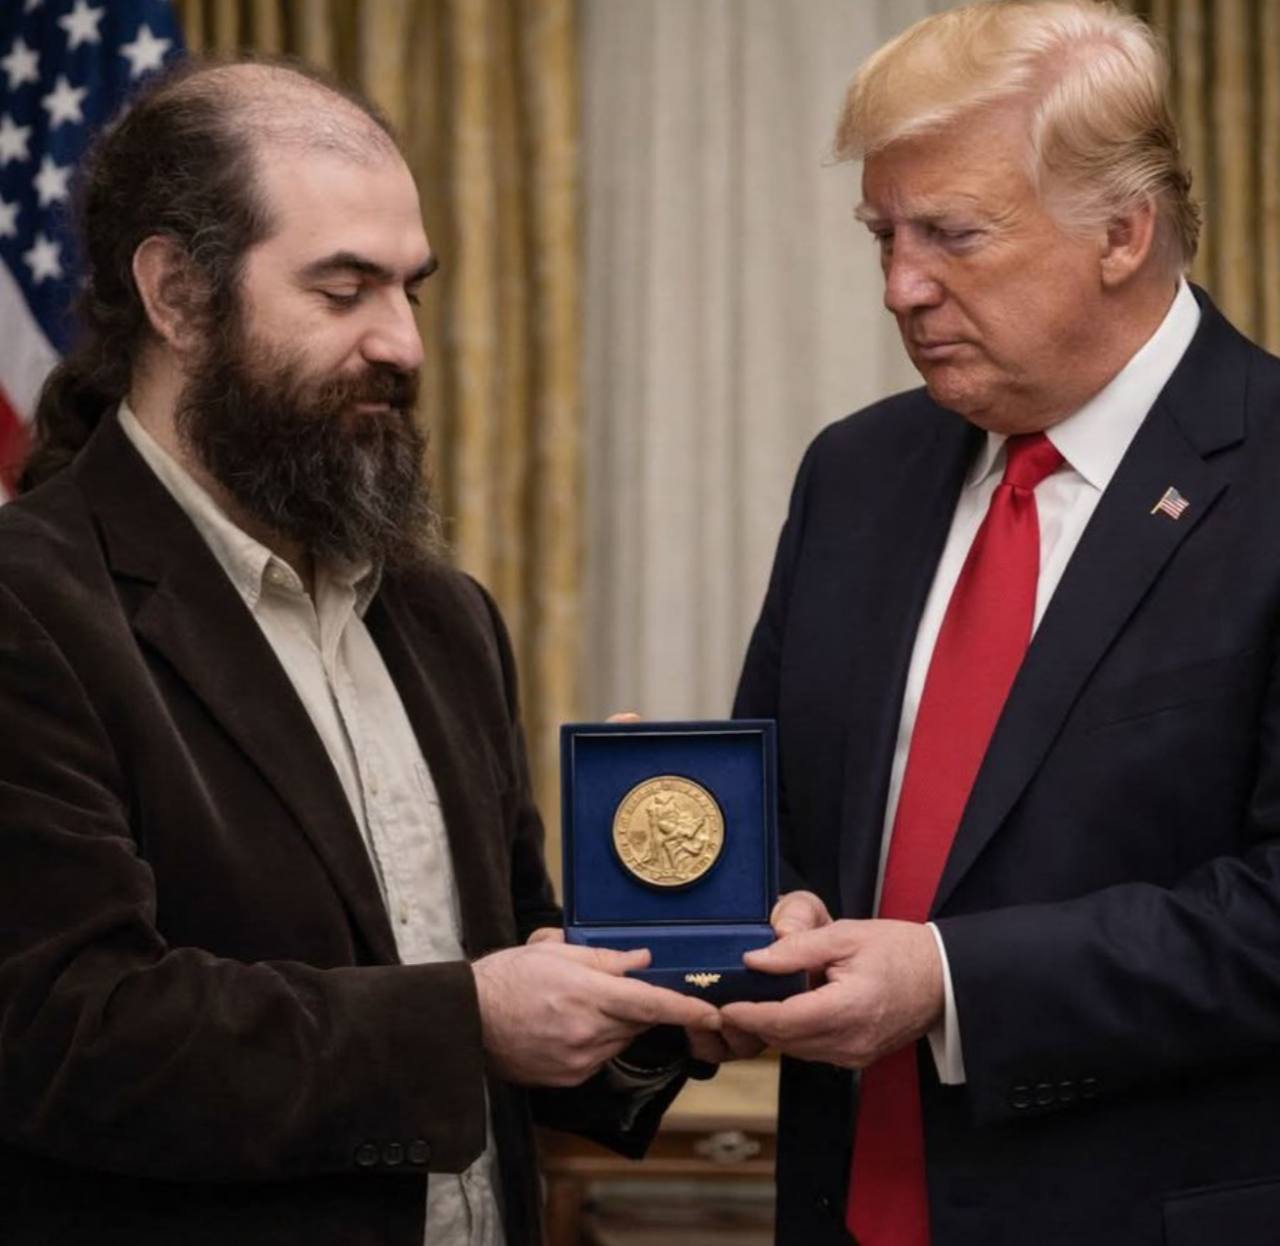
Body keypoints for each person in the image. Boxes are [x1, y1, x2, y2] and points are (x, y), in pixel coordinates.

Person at [0, 58, 721, 1246]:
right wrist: (467, 1023)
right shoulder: (30, 603)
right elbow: (63, 1029)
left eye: (411, 291)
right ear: (177, 296)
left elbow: (511, 977)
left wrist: (670, 970)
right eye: (343, 292)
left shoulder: (445, 619)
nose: (402, 344)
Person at [718, 3, 1280, 1244]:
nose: (899, 287)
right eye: (882, 236)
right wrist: (759, 903)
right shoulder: (855, 474)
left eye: (950, 235)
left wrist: (948, 982)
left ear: (1120, 231)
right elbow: (778, 814)